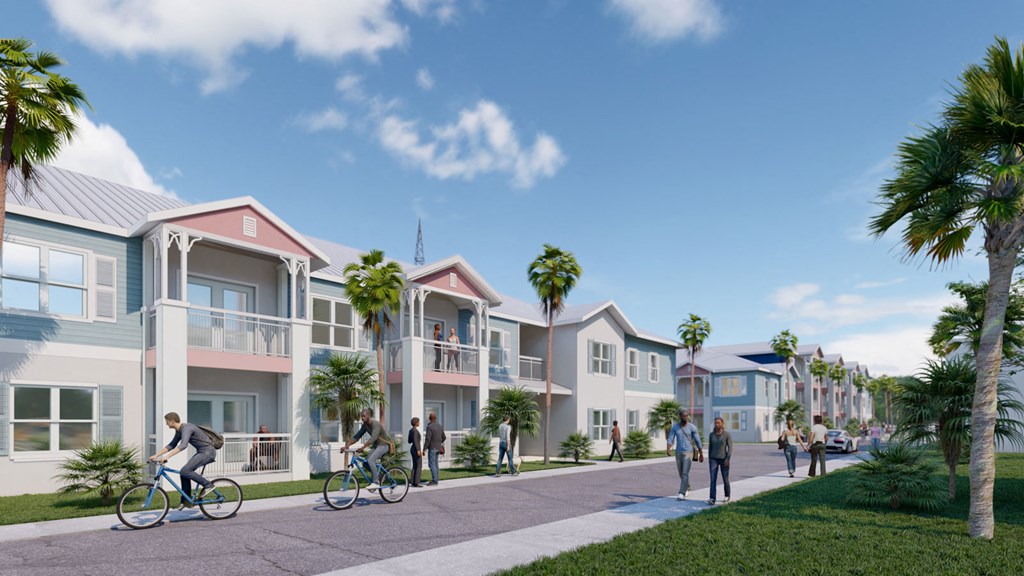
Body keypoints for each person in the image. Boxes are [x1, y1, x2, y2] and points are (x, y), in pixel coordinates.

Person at [148, 412, 215, 509]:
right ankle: (186, 501)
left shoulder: (187, 428)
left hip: (208, 452)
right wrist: (156, 455)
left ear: (172, 421)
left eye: (167, 422)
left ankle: (208, 485)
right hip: (202, 452)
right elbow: (172, 445)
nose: (166, 424)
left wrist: (167, 457)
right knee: (183, 473)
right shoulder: (179, 431)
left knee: (185, 471)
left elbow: (183, 445)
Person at [342, 409, 392, 492]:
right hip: (376, 446)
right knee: (365, 463)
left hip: (384, 445)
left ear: (369, 415)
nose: (362, 418)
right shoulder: (365, 425)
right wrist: (346, 446)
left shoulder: (375, 424)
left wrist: (362, 448)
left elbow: (373, 438)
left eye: (364, 416)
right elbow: (357, 437)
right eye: (361, 416)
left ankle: (376, 482)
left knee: (371, 460)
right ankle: (379, 476)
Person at [666, 409, 703, 500]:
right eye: (683, 416)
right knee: (681, 472)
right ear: (680, 416)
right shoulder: (675, 427)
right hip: (678, 452)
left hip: (688, 452)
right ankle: (687, 487)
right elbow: (670, 438)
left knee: (685, 472)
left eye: (686, 416)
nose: (685, 417)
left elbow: (698, 440)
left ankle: (682, 493)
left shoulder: (692, 427)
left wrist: (701, 454)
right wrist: (668, 448)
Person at [706, 417, 732, 505]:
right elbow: (710, 447)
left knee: (725, 478)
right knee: (713, 479)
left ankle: (727, 495)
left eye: (718, 423)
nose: (716, 424)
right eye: (715, 423)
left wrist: (728, 458)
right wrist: (709, 459)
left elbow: (730, 447)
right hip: (713, 459)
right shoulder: (711, 435)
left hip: (724, 459)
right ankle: (712, 498)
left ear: (722, 424)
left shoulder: (726, 434)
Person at [424, 411, 447, 485]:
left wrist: (424, 449)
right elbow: (444, 437)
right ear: (435, 418)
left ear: (429, 418)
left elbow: (428, 439)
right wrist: (439, 442)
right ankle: (436, 479)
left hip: (432, 448)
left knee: (431, 464)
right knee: (436, 464)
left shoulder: (429, 427)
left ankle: (434, 480)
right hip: (438, 447)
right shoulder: (440, 426)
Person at [408, 417, 424, 487]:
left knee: (415, 466)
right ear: (416, 423)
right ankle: (417, 482)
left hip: (412, 449)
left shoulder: (411, 431)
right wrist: (418, 450)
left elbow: (409, 441)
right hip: (416, 450)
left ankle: (413, 481)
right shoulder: (415, 431)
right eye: (419, 422)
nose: (419, 423)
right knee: (419, 466)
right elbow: (415, 440)